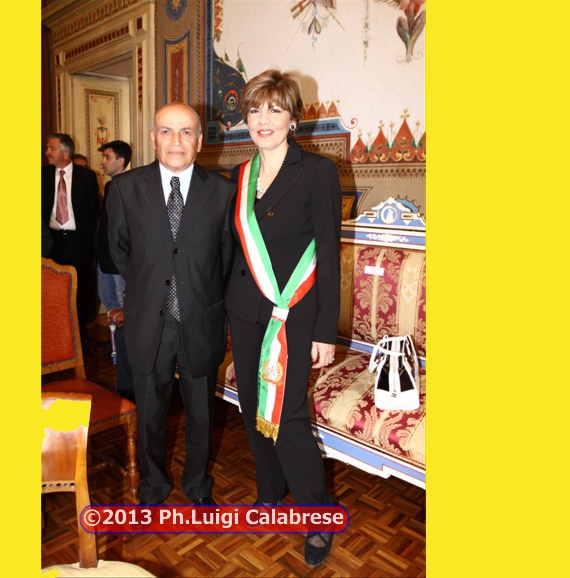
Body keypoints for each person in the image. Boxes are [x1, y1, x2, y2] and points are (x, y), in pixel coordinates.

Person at [225, 69, 341, 567]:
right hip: (244, 309)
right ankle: (270, 492)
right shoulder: (241, 175)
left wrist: (325, 330)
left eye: (274, 108)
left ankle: (318, 515)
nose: (263, 119)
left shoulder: (316, 171)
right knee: (253, 406)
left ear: (293, 118)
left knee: (288, 415)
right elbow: (236, 250)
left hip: (293, 312)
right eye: (254, 109)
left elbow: (329, 254)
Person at [107, 103, 235, 506]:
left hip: (201, 319)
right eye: (166, 131)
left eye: (185, 132)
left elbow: (226, 257)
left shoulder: (223, 191)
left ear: (200, 140)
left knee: (201, 413)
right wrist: (151, 286)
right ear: (152, 138)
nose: (175, 141)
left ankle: (197, 485)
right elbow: (119, 251)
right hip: (148, 320)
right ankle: (153, 486)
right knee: (150, 411)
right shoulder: (125, 189)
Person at [42, 133, 100, 342]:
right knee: (53, 294)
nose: (47, 152)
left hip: (79, 244)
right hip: (52, 243)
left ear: (66, 153)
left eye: (52, 148)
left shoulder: (87, 177)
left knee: (80, 293)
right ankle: (57, 340)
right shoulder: (42, 176)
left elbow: (94, 212)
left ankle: (79, 341)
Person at [97, 140, 133, 400]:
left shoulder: (129, 186)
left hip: (119, 263)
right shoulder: (109, 185)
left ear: (121, 161)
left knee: (124, 315)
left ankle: (127, 366)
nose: (103, 162)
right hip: (104, 259)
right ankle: (118, 357)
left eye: (107, 157)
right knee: (111, 308)